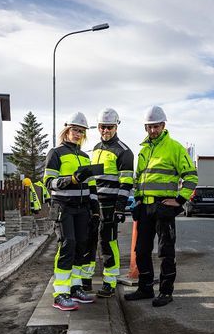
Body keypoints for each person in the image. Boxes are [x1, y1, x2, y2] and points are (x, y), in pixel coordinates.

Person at [125, 106, 197, 307]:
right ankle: (145, 288)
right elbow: (138, 179)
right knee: (141, 251)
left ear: (163, 125)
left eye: (156, 126)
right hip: (145, 208)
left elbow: (191, 176)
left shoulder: (174, 148)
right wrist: (138, 200)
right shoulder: (144, 150)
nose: (152, 131)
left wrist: (180, 200)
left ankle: (166, 292)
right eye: (149, 127)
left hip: (163, 208)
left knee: (166, 252)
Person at [43, 112, 99, 311]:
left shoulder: (85, 157)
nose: (78, 134)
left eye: (81, 131)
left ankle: (75, 289)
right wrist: (71, 180)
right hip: (63, 207)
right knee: (68, 245)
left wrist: (95, 211)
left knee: (81, 246)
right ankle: (60, 293)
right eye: (75, 130)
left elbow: (92, 187)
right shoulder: (55, 153)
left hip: (83, 208)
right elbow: (48, 182)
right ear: (67, 130)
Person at [81, 108, 134, 298]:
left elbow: (126, 183)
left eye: (109, 127)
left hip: (110, 206)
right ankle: (86, 280)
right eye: (102, 127)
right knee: (88, 241)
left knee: (107, 243)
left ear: (116, 126)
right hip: (93, 204)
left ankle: (110, 282)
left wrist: (120, 208)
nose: (105, 131)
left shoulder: (124, 152)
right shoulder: (95, 149)